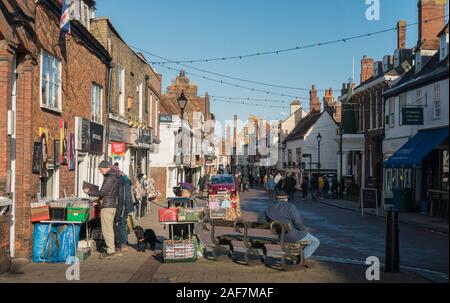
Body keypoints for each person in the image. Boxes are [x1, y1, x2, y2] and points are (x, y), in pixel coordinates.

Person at [258, 192, 320, 261]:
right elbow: (298, 224)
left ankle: (299, 257)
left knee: (305, 237)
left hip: (280, 236)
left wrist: (273, 224)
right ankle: (300, 259)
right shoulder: (290, 207)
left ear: (276, 199)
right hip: (293, 236)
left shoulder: (269, 208)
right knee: (315, 242)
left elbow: (260, 220)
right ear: (286, 199)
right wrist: (305, 230)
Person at [84, 161, 120, 259]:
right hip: (111, 205)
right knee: (109, 229)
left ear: (106, 168)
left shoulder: (109, 177)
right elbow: (109, 193)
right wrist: (98, 201)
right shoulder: (114, 176)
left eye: (101, 169)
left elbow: (103, 192)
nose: (100, 171)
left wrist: (89, 192)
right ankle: (112, 249)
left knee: (106, 229)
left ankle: (110, 251)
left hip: (108, 207)